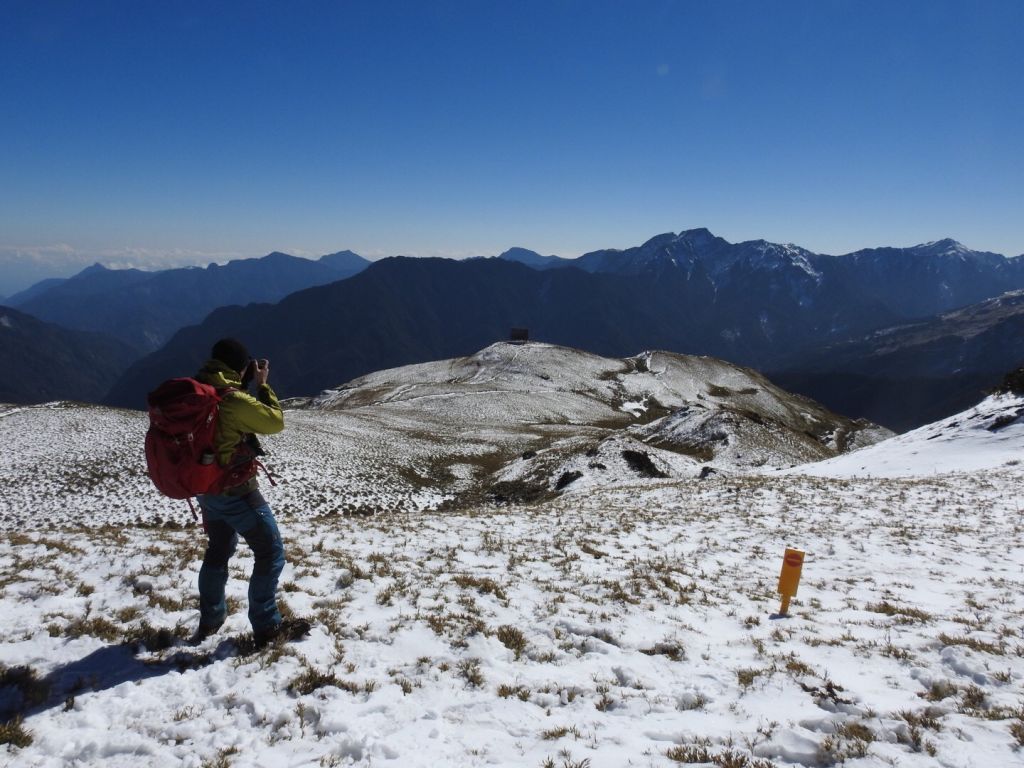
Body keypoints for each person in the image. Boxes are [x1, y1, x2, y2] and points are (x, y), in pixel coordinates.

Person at [190, 337, 309, 648]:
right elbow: (274, 422)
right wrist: (263, 385)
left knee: (218, 551)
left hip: (206, 491)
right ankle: (268, 626)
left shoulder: (200, 389)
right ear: (242, 367)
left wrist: (242, 383)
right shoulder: (233, 400)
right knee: (270, 553)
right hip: (237, 491)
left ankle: (211, 619)